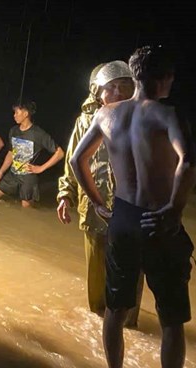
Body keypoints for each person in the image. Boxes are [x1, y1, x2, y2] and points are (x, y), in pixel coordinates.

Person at [70, 45, 196, 368]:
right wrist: (173, 209)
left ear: (134, 75)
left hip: (123, 218)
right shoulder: (167, 114)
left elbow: (76, 160)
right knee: (170, 319)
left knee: (115, 309)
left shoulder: (106, 114)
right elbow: (189, 162)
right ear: (165, 78)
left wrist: (98, 204)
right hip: (158, 219)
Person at [56, 61, 143, 327]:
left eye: (123, 87)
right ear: (98, 92)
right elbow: (74, 159)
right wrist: (65, 195)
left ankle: (129, 324)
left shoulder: (142, 117)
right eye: (111, 87)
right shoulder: (85, 120)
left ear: (134, 89)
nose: (116, 93)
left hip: (131, 208)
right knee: (96, 271)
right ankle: (97, 321)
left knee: (132, 270)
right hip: (93, 207)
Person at [0, 100, 64, 208]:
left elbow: (59, 153)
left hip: (28, 178)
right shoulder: (13, 131)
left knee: (27, 212)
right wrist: (0, 173)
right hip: (13, 174)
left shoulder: (38, 133)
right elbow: (11, 153)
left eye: (17, 112)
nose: (14, 115)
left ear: (26, 114)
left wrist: (41, 168)